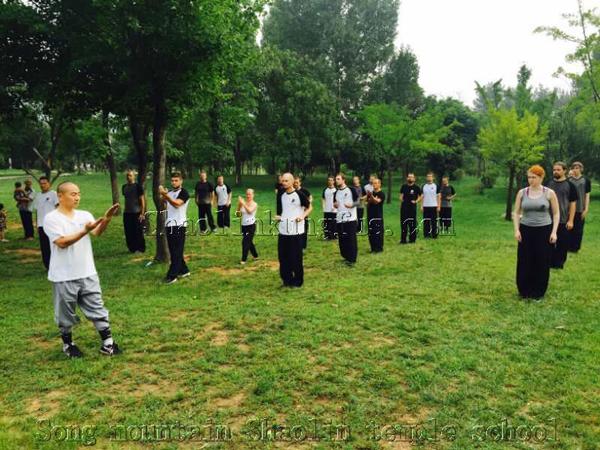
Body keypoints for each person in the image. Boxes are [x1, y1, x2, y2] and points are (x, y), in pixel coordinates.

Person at [42, 181, 121, 358]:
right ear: (60, 196)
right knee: (65, 313)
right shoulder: (51, 218)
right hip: (63, 275)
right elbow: (61, 243)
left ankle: (108, 343)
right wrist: (85, 231)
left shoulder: (84, 215)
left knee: (97, 307)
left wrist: (106, 219)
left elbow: (97, 232)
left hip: (87, 272)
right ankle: (68, 344)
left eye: (78, 193)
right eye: (73, 194)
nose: (77, 197)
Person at [513, 166, 560, 301]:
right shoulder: (522, 192)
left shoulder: (549, 193)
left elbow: (556, 214)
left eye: (534, 177)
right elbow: (516, 213)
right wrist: (516, 230)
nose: (530, 180)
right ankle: (524, 290)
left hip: (544, 230)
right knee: (524, 259)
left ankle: (538, 292)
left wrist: (554, 232)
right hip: (526, 230)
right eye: (529, 177)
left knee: (541, 260)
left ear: (541, 177)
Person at [276, 173, 312, 288]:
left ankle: (297, 281)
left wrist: (302, 216)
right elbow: (282, 211)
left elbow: (310, 207)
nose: (284, 183)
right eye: (283, 181)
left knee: (295, 257)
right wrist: (280, 217)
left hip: (295, 232)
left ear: (292, 182)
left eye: (286, 181)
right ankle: (286, 280)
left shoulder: (299, 195)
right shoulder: (281, 194)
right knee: (283, 257)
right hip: (283, 230)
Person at [159, 172, 191, 285]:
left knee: (176, 251)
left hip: (179, 225)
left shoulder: (184, 193)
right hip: (169, 224)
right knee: (174, 250)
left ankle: (172, 276)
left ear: (181, 181)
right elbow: (164, 207)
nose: (174, 182)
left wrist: (165, 195)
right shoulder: (170, 193)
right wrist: (163, 196)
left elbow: (177, 204)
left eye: (176, 180)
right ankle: (184, 270)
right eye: (172, 180)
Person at [547, 162, 577, 269]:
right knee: (548, 243)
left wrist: (571, 220)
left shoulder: (570, 186)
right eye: (554, 169)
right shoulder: (548, 184)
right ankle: (549, 263)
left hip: (563, 220)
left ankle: (559, 264)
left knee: (562, 244)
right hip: (548, 220)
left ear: (564, 171)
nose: (556, 171)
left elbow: (573, 204)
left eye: (558, 169)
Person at [334, 173, 360, 265]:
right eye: (336, 179)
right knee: (342, 239)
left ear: (343, 180)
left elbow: (358, 201)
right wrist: (335, 205)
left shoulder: (351, 190)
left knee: (351, 239)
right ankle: (346, 256)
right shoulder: (336, 192)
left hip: (350, 219)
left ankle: (352, 259)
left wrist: (352, 205)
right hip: (340, 219)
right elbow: (335, 204)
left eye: (338, 179)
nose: (336, 181)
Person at [34, 177, 59, 269]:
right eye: (41, 183)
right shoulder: (38, 196)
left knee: (53, 245)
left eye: (44, 183)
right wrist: (36, 224)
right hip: (41, 225)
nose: (42, 185)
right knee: (44, 247)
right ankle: (47, 265)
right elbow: (37, 211)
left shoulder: (54, 194)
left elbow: (58, 208)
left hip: (52, 224)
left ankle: (56, 265)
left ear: (49, 184)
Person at [567, 162, 591, 253]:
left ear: (581, 169)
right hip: (570, 210)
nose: (575, 170)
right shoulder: (569, 181)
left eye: (577, 168)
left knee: (579, 229)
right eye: (574, 168)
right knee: (569, 228)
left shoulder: (586, 181)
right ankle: (568, 247)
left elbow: (587, 196)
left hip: (580, 208)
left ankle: (576, 248)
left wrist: (586, 209)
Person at [121, 170, 146, 253]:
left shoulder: (138, 187)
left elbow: (142, 200)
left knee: (137, 231)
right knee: (128, 231)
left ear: (134, 176)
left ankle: (140, 248)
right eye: (127, 175)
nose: (129, 177)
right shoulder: (124, 187)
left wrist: (142, 213)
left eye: (130, 175)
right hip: (127, 212)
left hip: (136, 212)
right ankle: (131, 248)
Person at [237, 189, 259, 264]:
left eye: (249, 194)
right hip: (244, 226)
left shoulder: (255, 204)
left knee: (245, 242)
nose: (248, 196)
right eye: (247, 194)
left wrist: (243, 203)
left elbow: (250, 211)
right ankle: (255, 255)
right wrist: (239, 205)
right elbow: (238, 214)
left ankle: (244, 259)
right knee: (249, 242)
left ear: (253, 195)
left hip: (251, 226)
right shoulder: (244, 203)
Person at [399, 173, 422, 244]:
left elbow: (421, 195)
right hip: (404, 208)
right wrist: (401, 199)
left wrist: (416, 201)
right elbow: (400, 194)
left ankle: (412, 239)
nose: (410, 178)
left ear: (414, 179)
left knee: (412, 224)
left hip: (412, 208)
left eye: (411, 177)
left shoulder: (416, 187)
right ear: (407, 178)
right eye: (409, 177)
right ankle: (403, 240)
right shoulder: (404, 186)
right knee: (403, 224)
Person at [366, 178, 385, 253]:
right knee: (371, 231)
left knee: (378, 232)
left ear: (379, 184)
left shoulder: (381, 194)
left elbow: (377, 201)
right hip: (370, 215)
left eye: (376, 183)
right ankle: (373, 248)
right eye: (373, 183)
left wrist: (372, 197)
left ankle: (379, 248)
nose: (374, 185)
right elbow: (367, 203)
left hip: (378, 216)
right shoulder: (370, 194)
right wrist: (370, 198)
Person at [294, 177, 313, 249]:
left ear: (300, 183)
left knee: (304, 227)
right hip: (295, 212)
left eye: (297, 182)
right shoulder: (292, 191)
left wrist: (307, 204)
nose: (295, 184)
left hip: (304, 212)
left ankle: (303, 244)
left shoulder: (304, 191)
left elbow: (310, 198)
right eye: (294, 182)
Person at [421, 172, 441, 239]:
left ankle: (434, 235)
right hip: (425, 206)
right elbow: (422, 197)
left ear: (433, 178)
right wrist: (421, 206)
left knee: (434, 221)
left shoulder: (436, 186)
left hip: (434, 206)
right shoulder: (424, 186)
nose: (429, 178)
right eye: (428, 176)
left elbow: (438, 197)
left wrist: (438, 206)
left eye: (430, 176)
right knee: (426, 221)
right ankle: (426, 235)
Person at [322, 176, 337, 240]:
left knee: (333, 223)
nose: (330, 181)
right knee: (326, 223)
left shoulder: (336, 190)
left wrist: (335, 207)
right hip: (326, 209)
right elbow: (323, 198)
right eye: (329, 180)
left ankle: (333, 235)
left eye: (331, 180)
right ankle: (327, 235)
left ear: (333, 181)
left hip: (334, 210)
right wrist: (323, 206)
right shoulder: (325, 189)